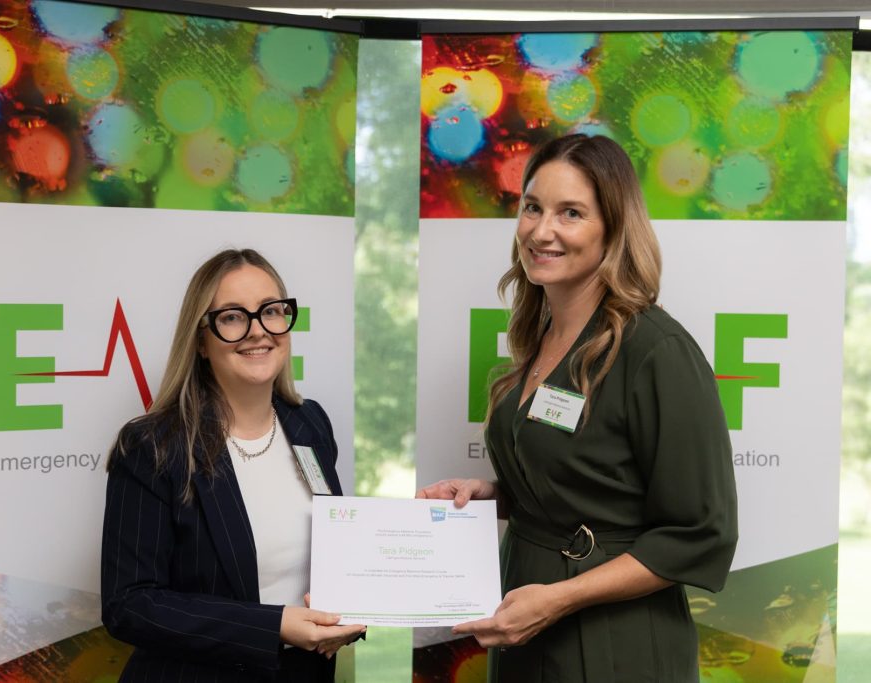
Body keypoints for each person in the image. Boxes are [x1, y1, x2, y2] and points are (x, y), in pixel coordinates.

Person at [417, 134, 738, 682]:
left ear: (612, 229)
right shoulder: (541, 334)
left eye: (571, 213)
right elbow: (587, 482)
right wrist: (491, 494)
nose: (542, 231)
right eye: (533, 208)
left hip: (615, 641)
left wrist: (560, 599)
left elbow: (701, 531)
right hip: (527, 623)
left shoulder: (656, 350)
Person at [101, 248, 364, 682]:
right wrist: (271, 626)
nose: (258, 331)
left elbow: (332, 554)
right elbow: (129, 605)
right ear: (201, 340)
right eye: (232, 317)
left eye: (271, 311)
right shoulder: (153, 446)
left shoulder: (310, 423)